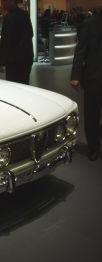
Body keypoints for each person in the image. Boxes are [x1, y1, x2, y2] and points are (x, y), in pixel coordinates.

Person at [71, 9, 102, 161]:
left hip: (94, 76)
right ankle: (93, 147)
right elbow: (80, 50)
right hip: (94, 77)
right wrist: (75, 75)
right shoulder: (90, 23)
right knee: (91, 115)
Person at [0, 0, 33, 85]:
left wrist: (3, 61)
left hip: (17, 59)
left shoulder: (10, 17)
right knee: (22, 84)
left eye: (4, 2)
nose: (3, 4)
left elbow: (5, 40)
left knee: (14, 84)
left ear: (12, 2)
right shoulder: (22, 15)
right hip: (21, 58)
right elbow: (29, 34)